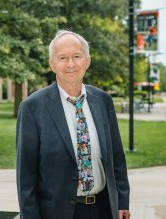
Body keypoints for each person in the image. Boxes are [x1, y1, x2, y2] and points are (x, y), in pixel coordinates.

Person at [16, 30, 130, 219]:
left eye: (77, 56)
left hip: (103, 209)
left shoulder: (103, 101)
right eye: (62, 58)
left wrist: (122, 202)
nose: (70, 64)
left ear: (87, 61)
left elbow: (117, 158)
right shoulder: (32, 108)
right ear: (52, 64)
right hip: (56, 212)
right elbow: (26, 176)